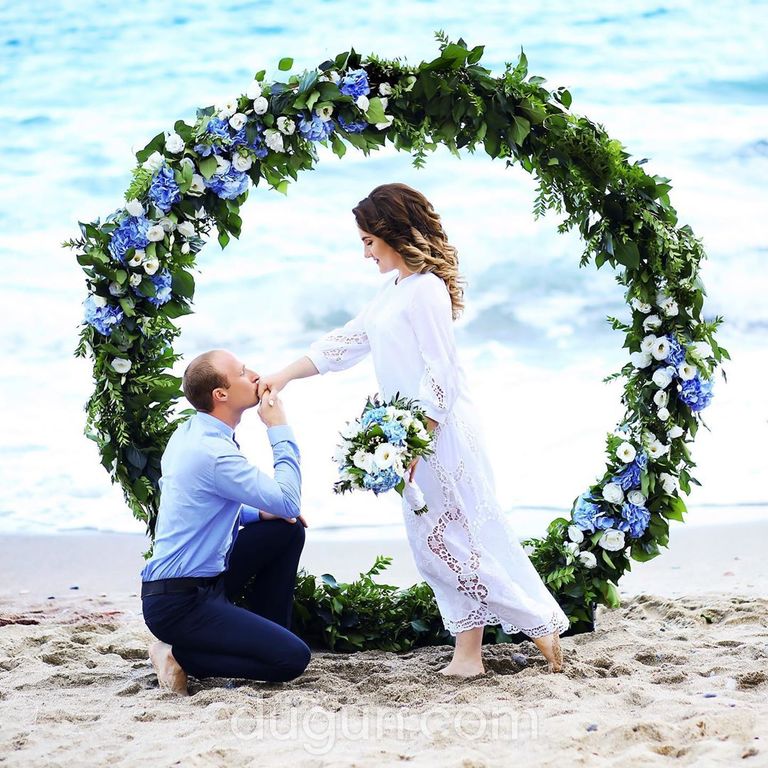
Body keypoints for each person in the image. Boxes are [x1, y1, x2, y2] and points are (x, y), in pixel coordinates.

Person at [258, 183, 568, 677]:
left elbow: (440, 372)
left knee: (450, 543)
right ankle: (469, 655)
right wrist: (282, 376)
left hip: (436, 436)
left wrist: (417, 439)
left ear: (391, 234)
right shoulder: (394, 289)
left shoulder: (426, 290)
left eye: (368, 242)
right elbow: (345, 342)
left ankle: (539, 625)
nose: (364, 253)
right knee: (438, 543)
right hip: (411, 435)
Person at [140, 349, 311, 695]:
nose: (254, 375)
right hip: (180, 601)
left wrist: (262, 513)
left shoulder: (193, 431)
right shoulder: (212, 453)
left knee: (285, 529)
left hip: (207, 581)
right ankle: (177, 654)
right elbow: (290, 498)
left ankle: (269, 631)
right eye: (243, 372)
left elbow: (203, 508)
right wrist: (278, 429)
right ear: (221, 395)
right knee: (292, 659)